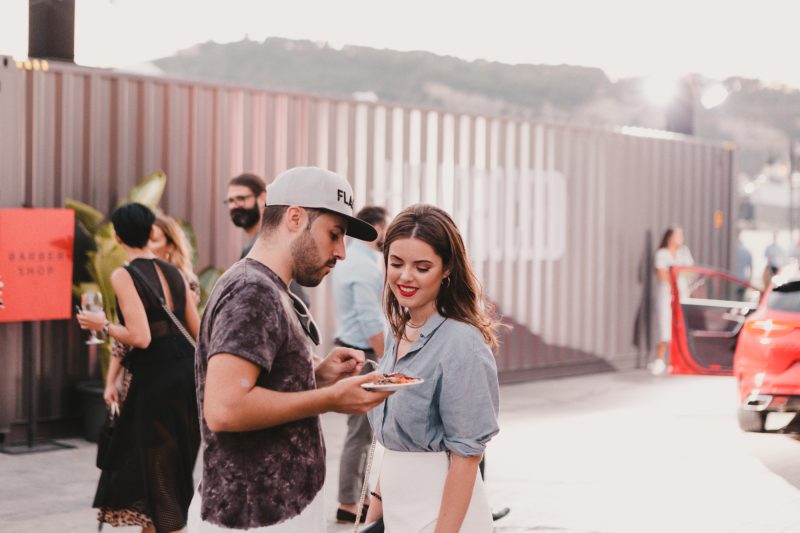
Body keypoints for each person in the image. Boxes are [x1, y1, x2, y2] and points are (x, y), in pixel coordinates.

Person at [188, 167, 394, 532]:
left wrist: (317, 373)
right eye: (335, 235)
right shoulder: (253, 291)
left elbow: (253, 382)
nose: (341, 252)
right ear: (295, 218)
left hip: (268, 512)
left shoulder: (266, 285)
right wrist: (330, 398)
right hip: (254, 517)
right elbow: (225, 408)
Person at [366, 204, 500, 532]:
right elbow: (392, 441)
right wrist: (372, 518)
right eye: (396, 263)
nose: (405, 276)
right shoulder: (397, 332)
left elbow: (467, 457)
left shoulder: (462, 343)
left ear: (447, 269)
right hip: (396, 514)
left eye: (422, 267)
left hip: (444, 517)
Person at [76, 203, 201, 533]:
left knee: (157, 475)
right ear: (150, 232)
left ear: (117, 237)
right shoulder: (175, 272)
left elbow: (140, 337)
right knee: (171, 472)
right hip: (186, 378)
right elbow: (200, 332)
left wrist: (103, 324)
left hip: (155, 381)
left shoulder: (124, 274)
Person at [331, 206, 390, 524]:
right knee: (361, 432)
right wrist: (387, 362)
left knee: (362, 432)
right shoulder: (364, 267)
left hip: (351, 347)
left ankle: (356, 498)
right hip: (363, 353)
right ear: (377, 227)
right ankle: (349, 503)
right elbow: (370, 321)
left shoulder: (351, 260)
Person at [226, 172, 310, 308]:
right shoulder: (253, 246)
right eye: (230, 201)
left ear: (263, 198)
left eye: (241, 198)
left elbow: (297, 302)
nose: (235, 205)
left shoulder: (268, 246)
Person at [652, 226, 694, 375]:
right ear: (670, 237)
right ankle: (659, 360)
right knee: (665, 329)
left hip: (683, 294)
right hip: (666, 295)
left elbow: (690, 272)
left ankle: (677, 361)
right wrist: (678, 274)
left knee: (681, 328)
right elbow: (663, 276)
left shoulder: (684, 252)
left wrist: (676, 274)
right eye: (677, 235)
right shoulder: (662, 254)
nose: (680, 238)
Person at [149, 214, 200, 305]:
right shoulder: (134, 277)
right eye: (145, 240)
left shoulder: (187, 283)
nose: (146, 245)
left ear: (171, 247)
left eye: (153, 240)